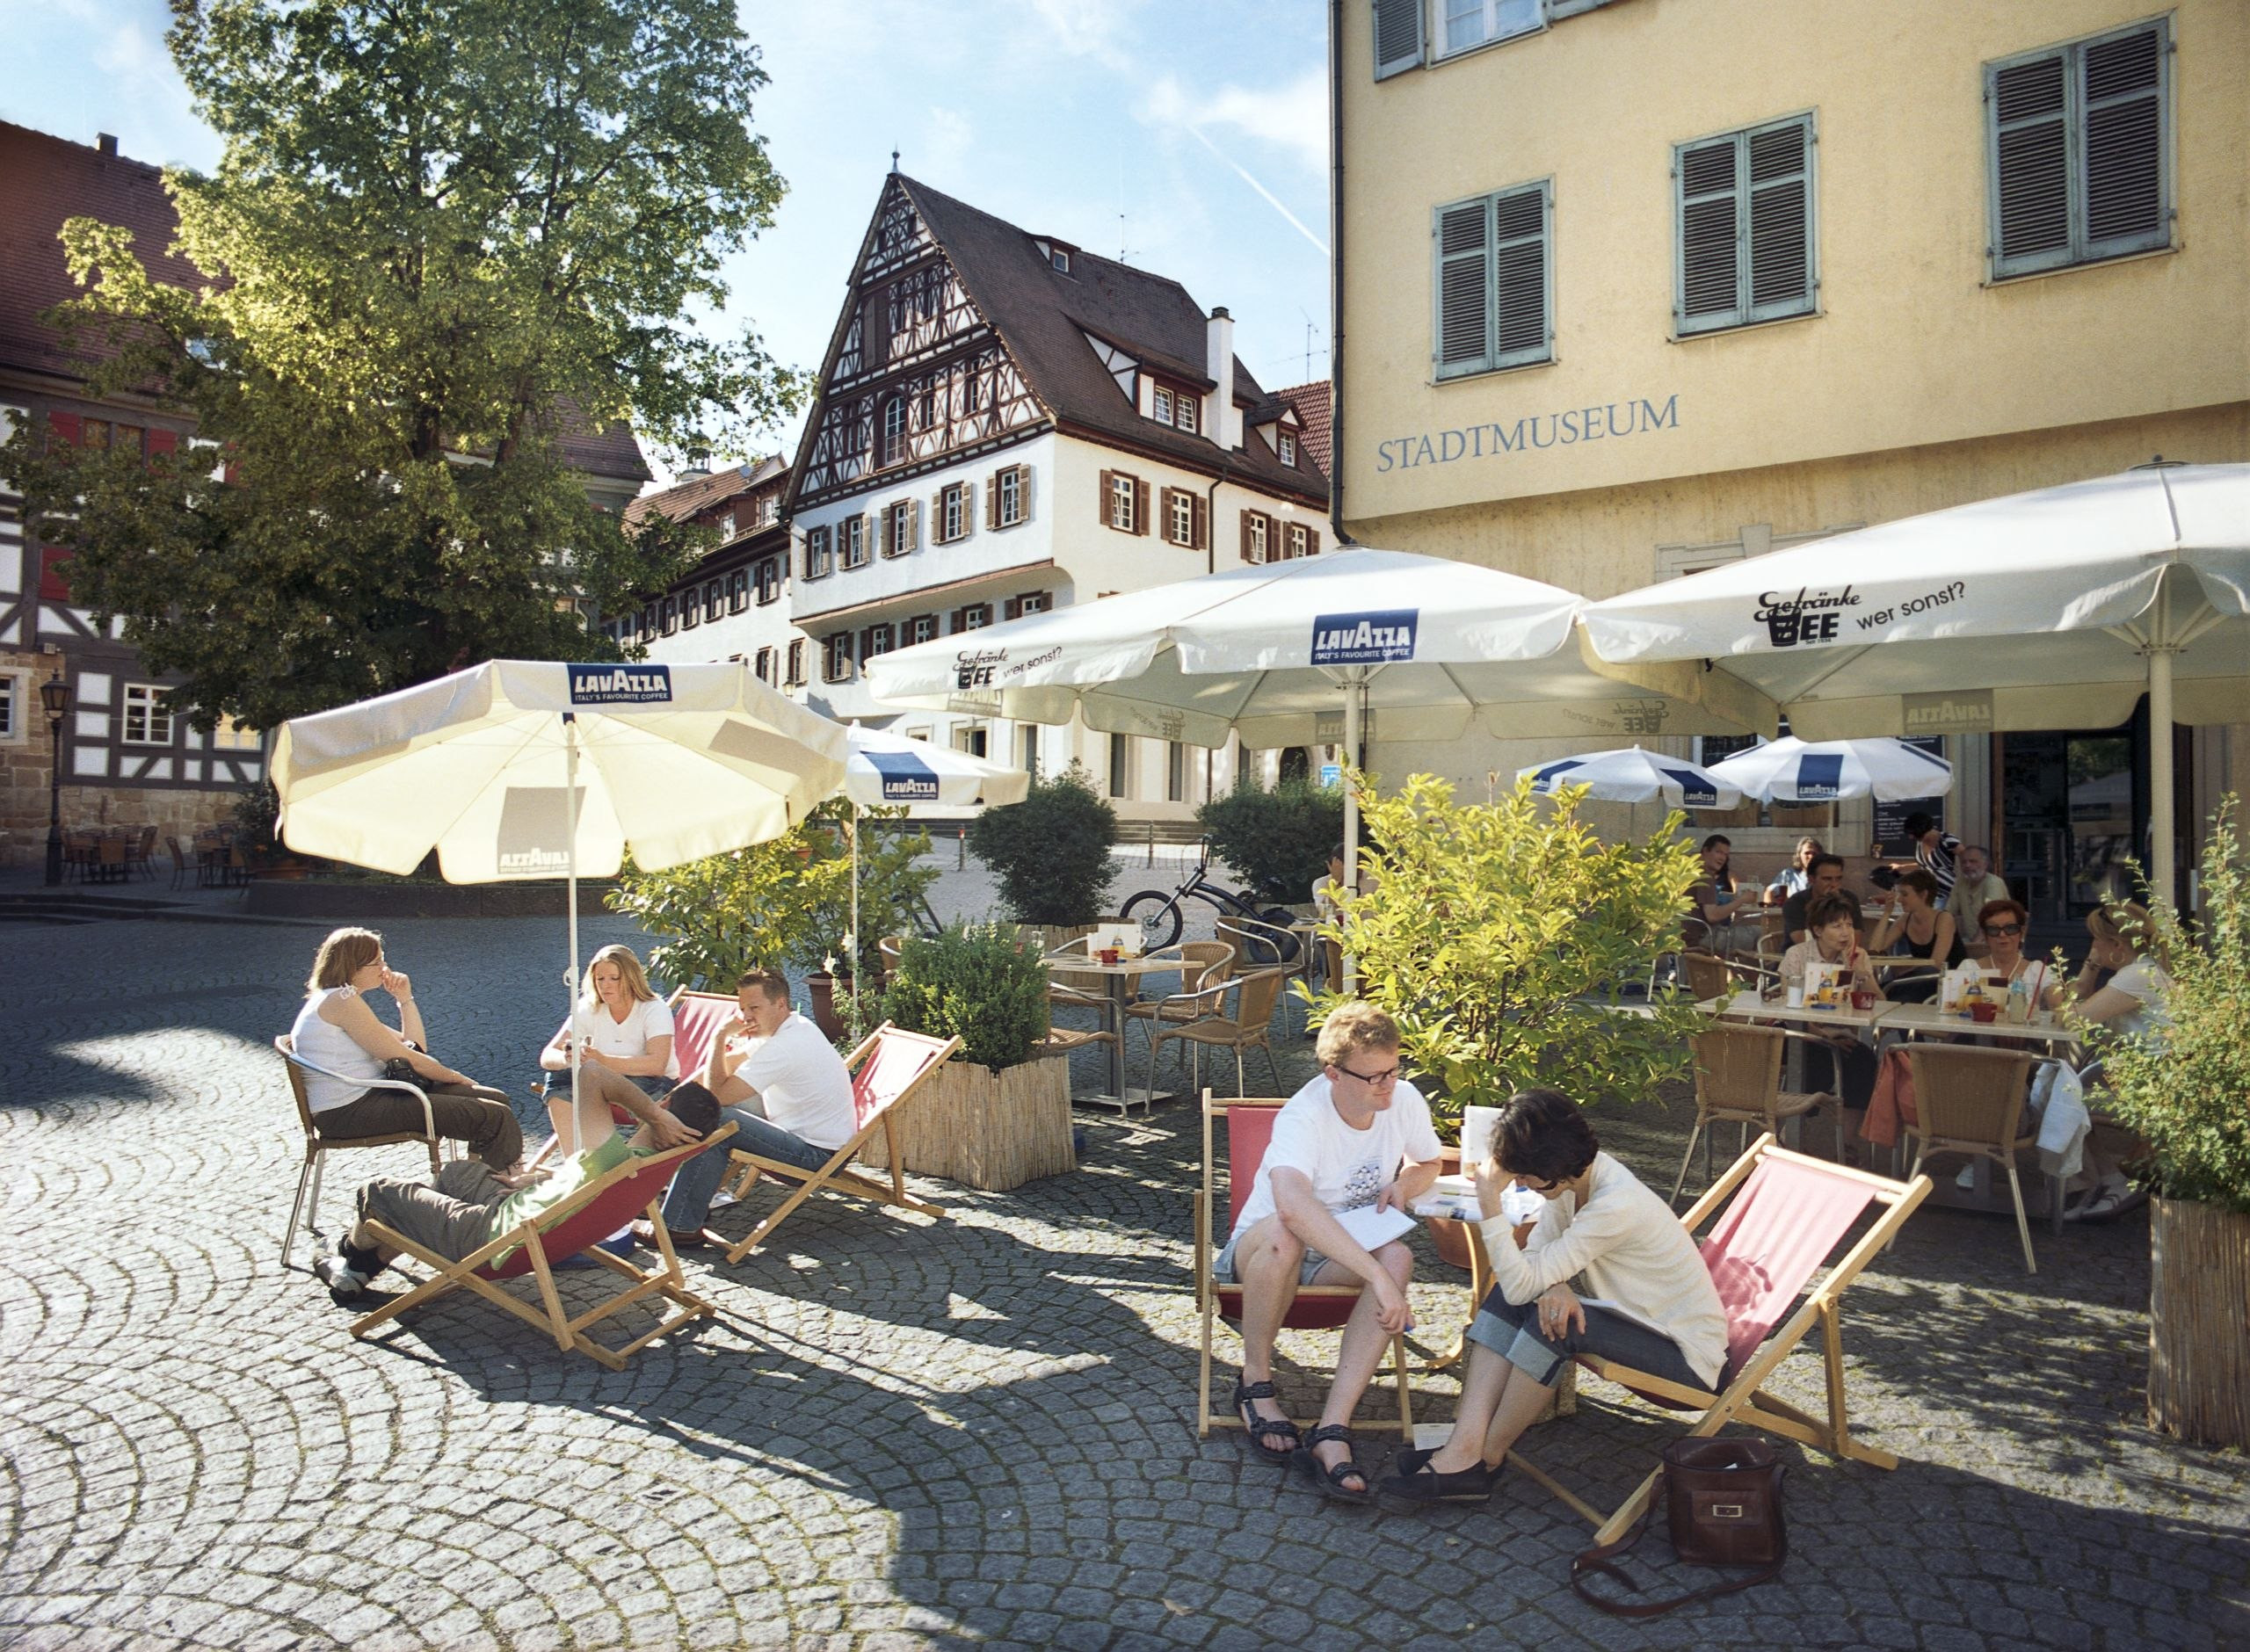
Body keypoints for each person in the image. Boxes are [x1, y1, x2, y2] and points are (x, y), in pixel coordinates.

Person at [1375, 1089, 1725, 1505]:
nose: (1519, 1183)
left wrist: (1490, 1203)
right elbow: (1530, 1267)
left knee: (1559, 1322)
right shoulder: (1577, 1182)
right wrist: (1554, 1281)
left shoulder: (1615, 1204)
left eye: (1523, 1175)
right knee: (1513, 1293)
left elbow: (1530, 1276)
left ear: (1552, 1166)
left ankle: (1484, 1457)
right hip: (1641, 1325)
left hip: (1686, 1357)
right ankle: (1464, 1447)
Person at [1216, 1001, 1441, 1502]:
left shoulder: (1402, 1099)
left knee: (1400, 1257)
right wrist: (1378, 1279)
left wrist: (1406, 1184)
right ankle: (1255, 1383)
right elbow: (1293, 1208)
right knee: (1286, 1233)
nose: (1388, 1085)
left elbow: (1429, 1161)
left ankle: (1332, 1429)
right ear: (1333, 1073)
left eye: (1394, 1070)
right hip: (1261, 1256)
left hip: (1337, 1256)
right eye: (1373, 1077)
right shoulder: (1305, 1115)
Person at [315, 1082, 726, 1302]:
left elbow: (593, 1074)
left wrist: (651, 1112)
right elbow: (578, 1191)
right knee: (459, 1173)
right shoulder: (647, 1166)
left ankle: (349, 1262)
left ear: (665, 1102)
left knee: (378, 1191)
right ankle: (363, 1268)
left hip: (495, 1237)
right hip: (523, 1214)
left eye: (660, 1103)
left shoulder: (612, 1156)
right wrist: (536, 1182)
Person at [639, 968, 858, 1250]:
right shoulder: (793, 1026)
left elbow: (717, 1095)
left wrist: (718, 1038)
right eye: (743, 1008)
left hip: (815, 1156)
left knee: (716, 1119)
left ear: (780, 1004)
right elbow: (727, 1066)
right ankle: (662, 1196)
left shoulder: (785, 1046)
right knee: (696, 1107)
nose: (747, 1017)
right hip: (804, 1135)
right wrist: (676, 1096)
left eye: (754, 1007)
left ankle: (677, 1222)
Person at [288, 926, 523, 1170]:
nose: (384, 968)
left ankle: (478, 1179)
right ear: (353, 966)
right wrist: (458, 1078)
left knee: (496, 1099)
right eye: (376, 962)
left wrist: (404, 999)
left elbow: (414, 1048)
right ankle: (493, 1193)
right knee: (494, 1117)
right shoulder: (341, 1001)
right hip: (349, 1110)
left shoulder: (338, 999)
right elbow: (410, 1059)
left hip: (371, 1096)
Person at [2059, 902, 2170, 1222]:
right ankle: (2107, 1180)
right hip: (2150, 1079)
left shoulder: (2136, 976)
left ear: (2117, 946)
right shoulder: (2145, 969)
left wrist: (2090, 966)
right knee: (2064, 1089)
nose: (2092, 947)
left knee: (2059, 1095)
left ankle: (2111, 1180)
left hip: (2154, 1086)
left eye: (2095, 940)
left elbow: (2074, 1019)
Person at [538, 945, 679, 1148]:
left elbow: (656, 1065)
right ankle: (575, 1162)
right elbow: (547, 1056)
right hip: (604, 1083)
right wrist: (569, 1058)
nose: (606, 986)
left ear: (631, 978)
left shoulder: (654, 1009)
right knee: (558, 1078)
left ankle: (602, 1159)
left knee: (594, 1080)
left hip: (655, 1085)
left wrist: (602, 1062)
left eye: (615, 978)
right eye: (600, 979)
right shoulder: (590, 1007)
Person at [1780, 891, 1883, 1108]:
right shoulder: (1797, 955)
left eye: (1849, 925)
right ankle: (1795, 1130)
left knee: (1864, 1059)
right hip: (1801, 1032)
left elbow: (1881, 1004)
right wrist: (1823, 1035)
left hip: (1841, 1034)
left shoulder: (1858, 956)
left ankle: (1848, 1137)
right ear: (1818, 930)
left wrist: (1862, 973)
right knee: (1818, 1058)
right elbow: (1787, 1007)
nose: (1846, 933)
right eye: (1837, 926)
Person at [1867, 867, 1963, 1002]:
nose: (1899, 900)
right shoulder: (1905, 920)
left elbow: (1936, 964)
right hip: (1920, 979)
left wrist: (1908, 967)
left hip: (1946, 982)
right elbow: (1875, 950)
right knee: (1875, 991)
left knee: (1897, 990)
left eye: (1904, 894)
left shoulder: (1944, 919)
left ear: (1923, 895)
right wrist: (1887, 913)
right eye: (1898, 894)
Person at [1971, 898, 2060, 1009]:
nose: (2002, 935)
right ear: (1985, 936)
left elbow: (2059, 1006)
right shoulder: (1969, 969)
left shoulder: (2038, 971)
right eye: (1994, 929)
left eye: (2010, 928)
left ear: (2022, 932)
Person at [1945, 845, 2011, 957]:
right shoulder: (1961, 883)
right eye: (1964, 862)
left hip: (1998, 942)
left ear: (1985, 864)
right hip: (1973, 942)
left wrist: (1973, 946)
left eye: (1973, 861)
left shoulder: (1993, 883)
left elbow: (1991, 918)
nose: (1967, 865)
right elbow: (1948, 914)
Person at [1687, 834, 1745, 953]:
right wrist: (1741, 900)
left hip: (1678, 938)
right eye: (1719, 852)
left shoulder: (1689, 870)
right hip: (1701, 938)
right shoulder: (1705, 876)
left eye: (1726, 855)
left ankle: (1723, 971)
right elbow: (1712, 916)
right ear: (1705, 851)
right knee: (1761, 935)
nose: (1722, 858)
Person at [1782, 853, 1849, 945]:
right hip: (1799, 956)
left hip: (1840, 955)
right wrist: (1827, 902)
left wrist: (1836, 902)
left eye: (1838, 879)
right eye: (1827, 879)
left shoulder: (1849, 899)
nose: (1834, 884)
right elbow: (1803, 941)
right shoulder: (1795, 903)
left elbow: (1853, 939)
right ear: (1811, 879)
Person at [1897, 812, 1963, 904]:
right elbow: (1925, 866)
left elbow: (1968, 859)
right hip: (1927, 893)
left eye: (1914, 834)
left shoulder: (1947, 840)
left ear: (1928, 830)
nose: (1911, 837)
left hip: (1946, 893)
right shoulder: (1920, 842)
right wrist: (1902, 867)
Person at [1764, 835, 1825, 907]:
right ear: (1799, 855)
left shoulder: (1826, 876)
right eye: (1807, 853)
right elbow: (1770, 891)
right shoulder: (1788, 874)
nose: (1811, 856)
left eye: (1814, 853)